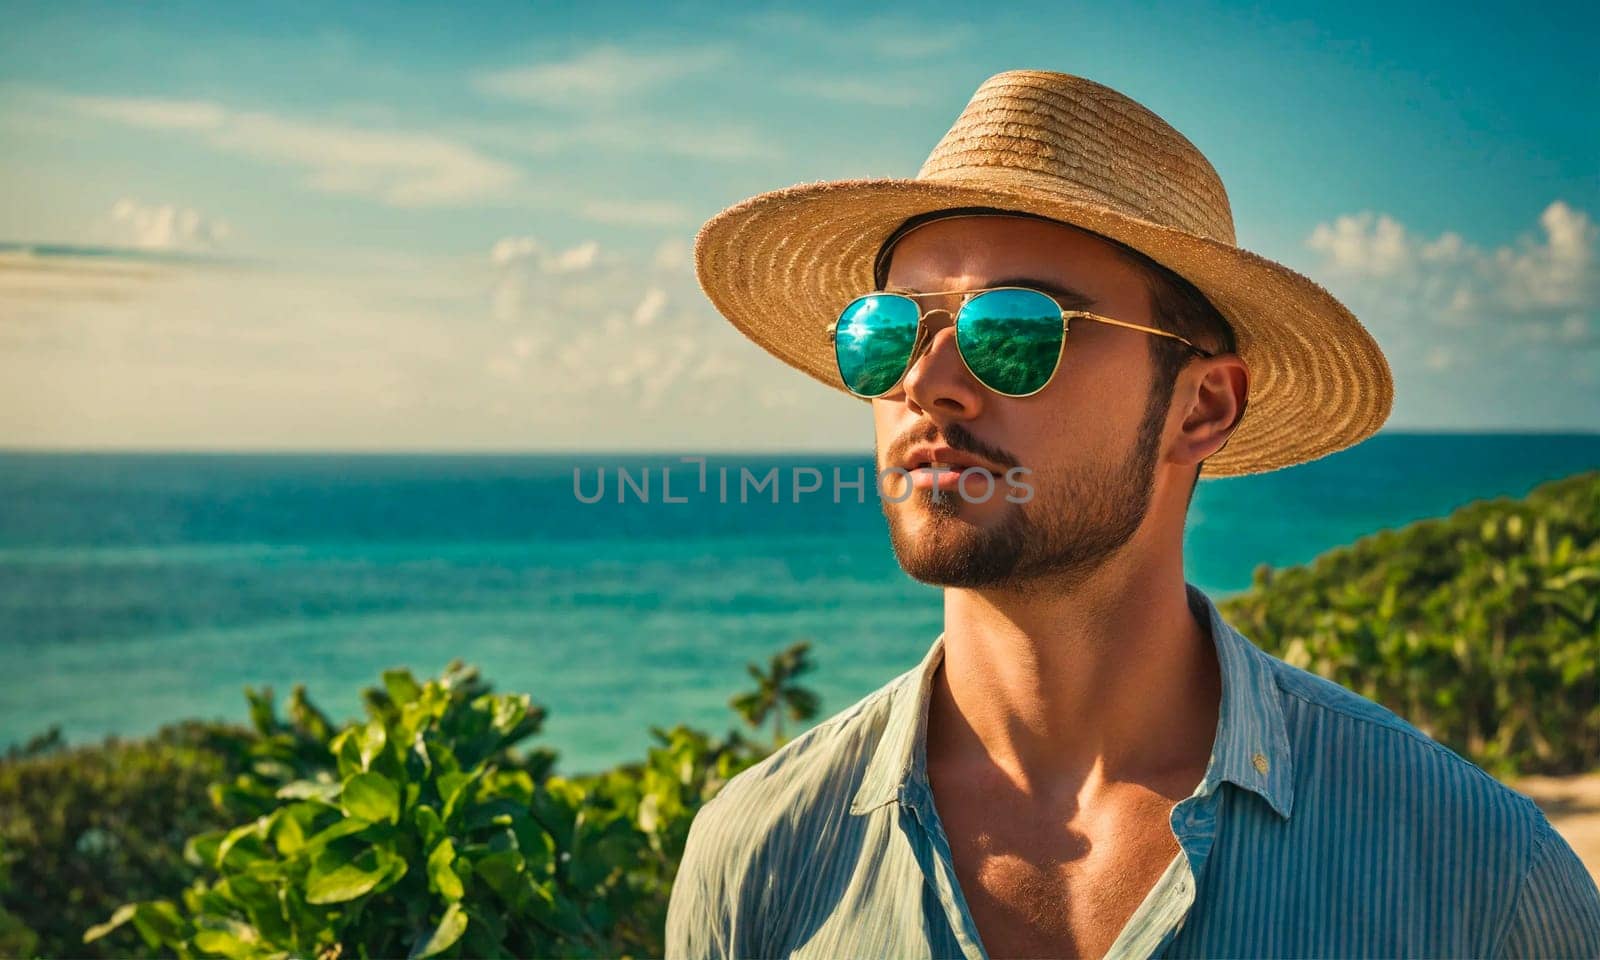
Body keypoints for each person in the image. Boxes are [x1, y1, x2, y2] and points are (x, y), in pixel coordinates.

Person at [665, 70, 1600, 959]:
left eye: (1017, 330)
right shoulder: (759, 859)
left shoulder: (1476, 876)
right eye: (887, 331)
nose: (929, 383)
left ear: (1202, 408)